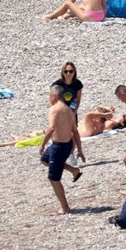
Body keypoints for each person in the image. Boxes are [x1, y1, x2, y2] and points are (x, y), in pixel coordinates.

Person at [39, 86, 85, 215]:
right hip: (65, 145)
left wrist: (42, 144)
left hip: (59, 147)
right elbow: (75, 132)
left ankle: (65, 207)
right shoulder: (69, 110)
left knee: (54, 178)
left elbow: (51, 128)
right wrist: (79, 149)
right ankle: (73, 170)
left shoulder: (54, 109)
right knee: (44, 160)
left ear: (53, 96)